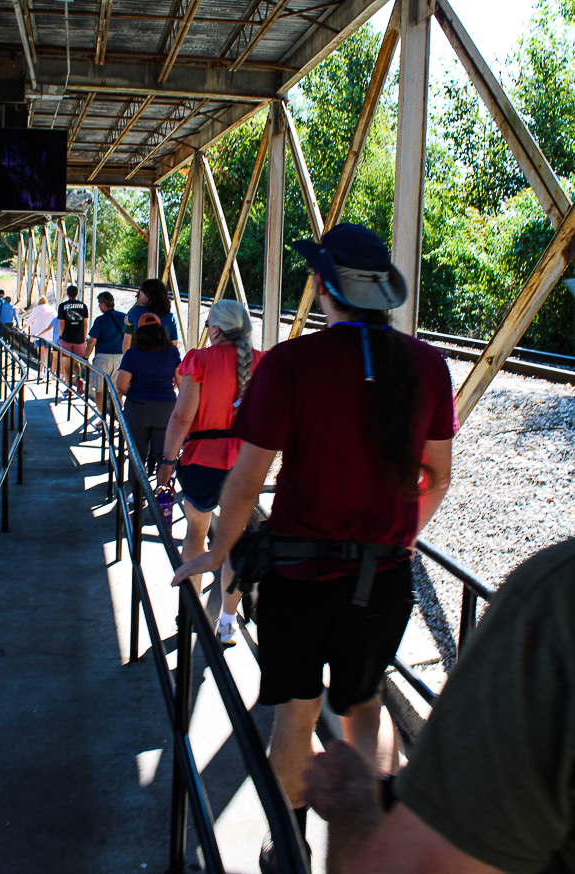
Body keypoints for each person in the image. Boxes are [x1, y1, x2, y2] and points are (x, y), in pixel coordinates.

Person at [172, 223, 456, 871]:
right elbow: (437, 477)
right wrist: (398, 540)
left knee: (297, 716)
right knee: (364, 704)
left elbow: (246, 481)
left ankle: (289, 846)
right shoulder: (428, 365)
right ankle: (368, 843)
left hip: (299, 579)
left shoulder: (292, 363)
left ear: (327, 288)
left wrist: (216, 554)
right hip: (383, 579)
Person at [304, 538, 575, 874]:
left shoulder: (555, 600)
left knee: (320, 705)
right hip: (384, 578)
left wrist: (345, 798)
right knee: (363, 701)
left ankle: (291, 833)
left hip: (317, 578)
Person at [156, 299, 263, 643]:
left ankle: (190, 614)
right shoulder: (260, 362)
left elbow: (182, 417)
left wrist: (167, 462)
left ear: (215, 330)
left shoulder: (198, 360)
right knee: (234, 542)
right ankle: (227, 622)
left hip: (202, 461)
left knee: (196, 532)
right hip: (244, 465)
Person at [116, 313, 181, 492]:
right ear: (162, 331)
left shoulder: (131, 354)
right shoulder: (172, 352)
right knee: (164, 454)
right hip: (166, 408)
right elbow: (181, 381)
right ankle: (163, 491)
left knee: (137, 453)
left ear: (138, 332)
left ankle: (137, 493)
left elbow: (121, 385)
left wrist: (133, 394)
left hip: (138, 408)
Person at [85, 291, 126, 420]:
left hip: (103, 358)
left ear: (103, 305)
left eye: (99, 304)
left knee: (100, 391)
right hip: (120, 358)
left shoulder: (100, 320)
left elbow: (91, 341)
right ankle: (119, 418)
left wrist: (85, 357)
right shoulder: (124, 317)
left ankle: (103, 419)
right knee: (118, 392)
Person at [122, 278, 178, 351]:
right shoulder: (170, 317)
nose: (140, 294)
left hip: (142, 355)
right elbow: (174, 344)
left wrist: (138, 302)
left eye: (142, 292)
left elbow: (126, 320)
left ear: (149, 295)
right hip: (162, 356)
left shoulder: (137, 311)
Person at [58, 285, 89, 394]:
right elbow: (85, 324)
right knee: (76, 364)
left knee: (66, 365)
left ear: (67, 294)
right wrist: (83, 339)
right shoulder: (83, 306)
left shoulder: (62, 306)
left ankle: (69, 388)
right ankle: (79, 378)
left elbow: (62, 323)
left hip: (66, 339)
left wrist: (61, 337)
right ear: (77, 293)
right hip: (79, 339)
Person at [25, 295, 56, 377]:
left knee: (41, 354)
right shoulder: (52, 309)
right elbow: (56, 320)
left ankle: (40, 371)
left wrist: (23, 328)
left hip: (37, 335)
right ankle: (46, 370)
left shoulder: (36, 310)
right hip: (49, 335)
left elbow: (29, 321)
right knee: (46, 353)